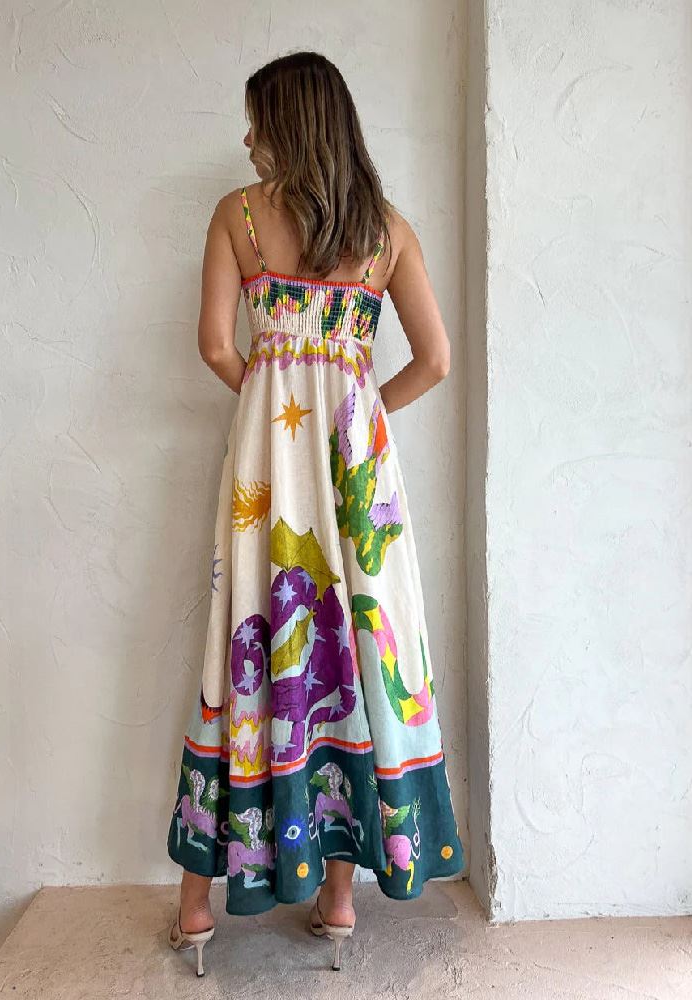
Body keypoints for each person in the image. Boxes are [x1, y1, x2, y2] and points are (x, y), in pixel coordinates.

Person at [166, 50, 464, 975]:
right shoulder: (388, 231)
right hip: (358, 475)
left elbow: (216, 346)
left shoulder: (239, 216)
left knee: (247, 639)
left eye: (257, 120)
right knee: (358, 649)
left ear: (288, 125)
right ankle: (340, 899)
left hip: (269, 471)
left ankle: (196, 910)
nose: (247, 138)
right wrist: (359, 411)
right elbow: (435, 360)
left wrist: (272, 401)